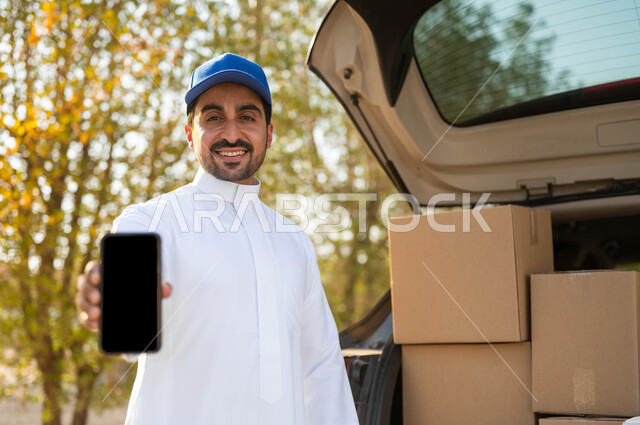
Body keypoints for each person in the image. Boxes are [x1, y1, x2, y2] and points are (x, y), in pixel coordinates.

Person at [75, 53, 359, 425]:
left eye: (247, 117)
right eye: (213, 118)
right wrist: (110, 298)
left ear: (268, 133)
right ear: (190, 133)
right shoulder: (148, 222)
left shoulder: (295, 242)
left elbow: (322, 371)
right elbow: (129, 322)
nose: (231, 133)